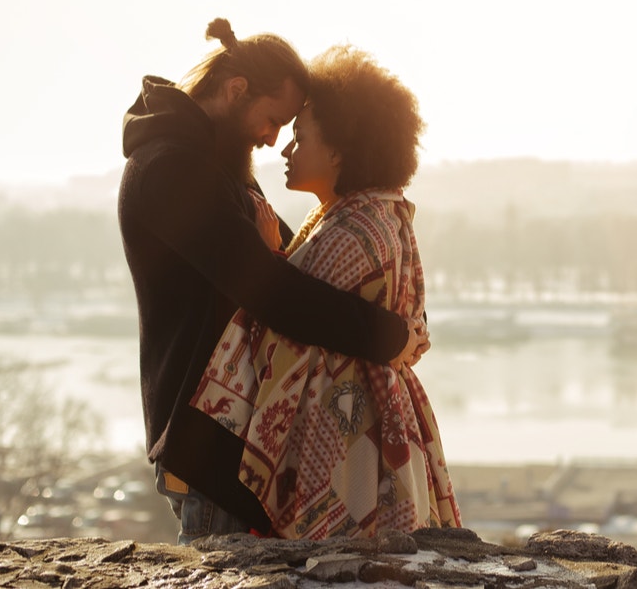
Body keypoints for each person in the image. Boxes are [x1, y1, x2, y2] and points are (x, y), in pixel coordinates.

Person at [118, 18, 426, 543]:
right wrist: (388, 336)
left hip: (224, 443)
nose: (272, 138)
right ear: (236, 90)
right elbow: (276, 293)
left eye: (288, 129)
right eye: (272, 119)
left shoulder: (212, 163)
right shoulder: (173, 170)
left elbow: (287, 260)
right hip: (208, 445)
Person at [191, 44, 461, 539]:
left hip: (342, 450)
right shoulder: (375, 213)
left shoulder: (348, 233)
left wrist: (269, 258)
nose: (285, 149)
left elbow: (285, 320)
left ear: (338, 150)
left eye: (299, 136)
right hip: (366, 431)